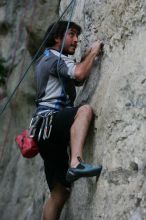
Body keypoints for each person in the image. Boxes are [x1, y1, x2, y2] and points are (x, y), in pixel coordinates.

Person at [33, 20, 103, 220]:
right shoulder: (55, 57)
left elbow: (77, 79)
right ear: (57, 37)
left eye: (76, 36)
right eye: (71, 34)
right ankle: (76, 162)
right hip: (51, 121)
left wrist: (85, 58)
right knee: (85, 110)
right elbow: (79, 72)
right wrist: (94, 51)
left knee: (60, 192)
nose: (75, 40)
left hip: (43, 131)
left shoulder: (46, 59)